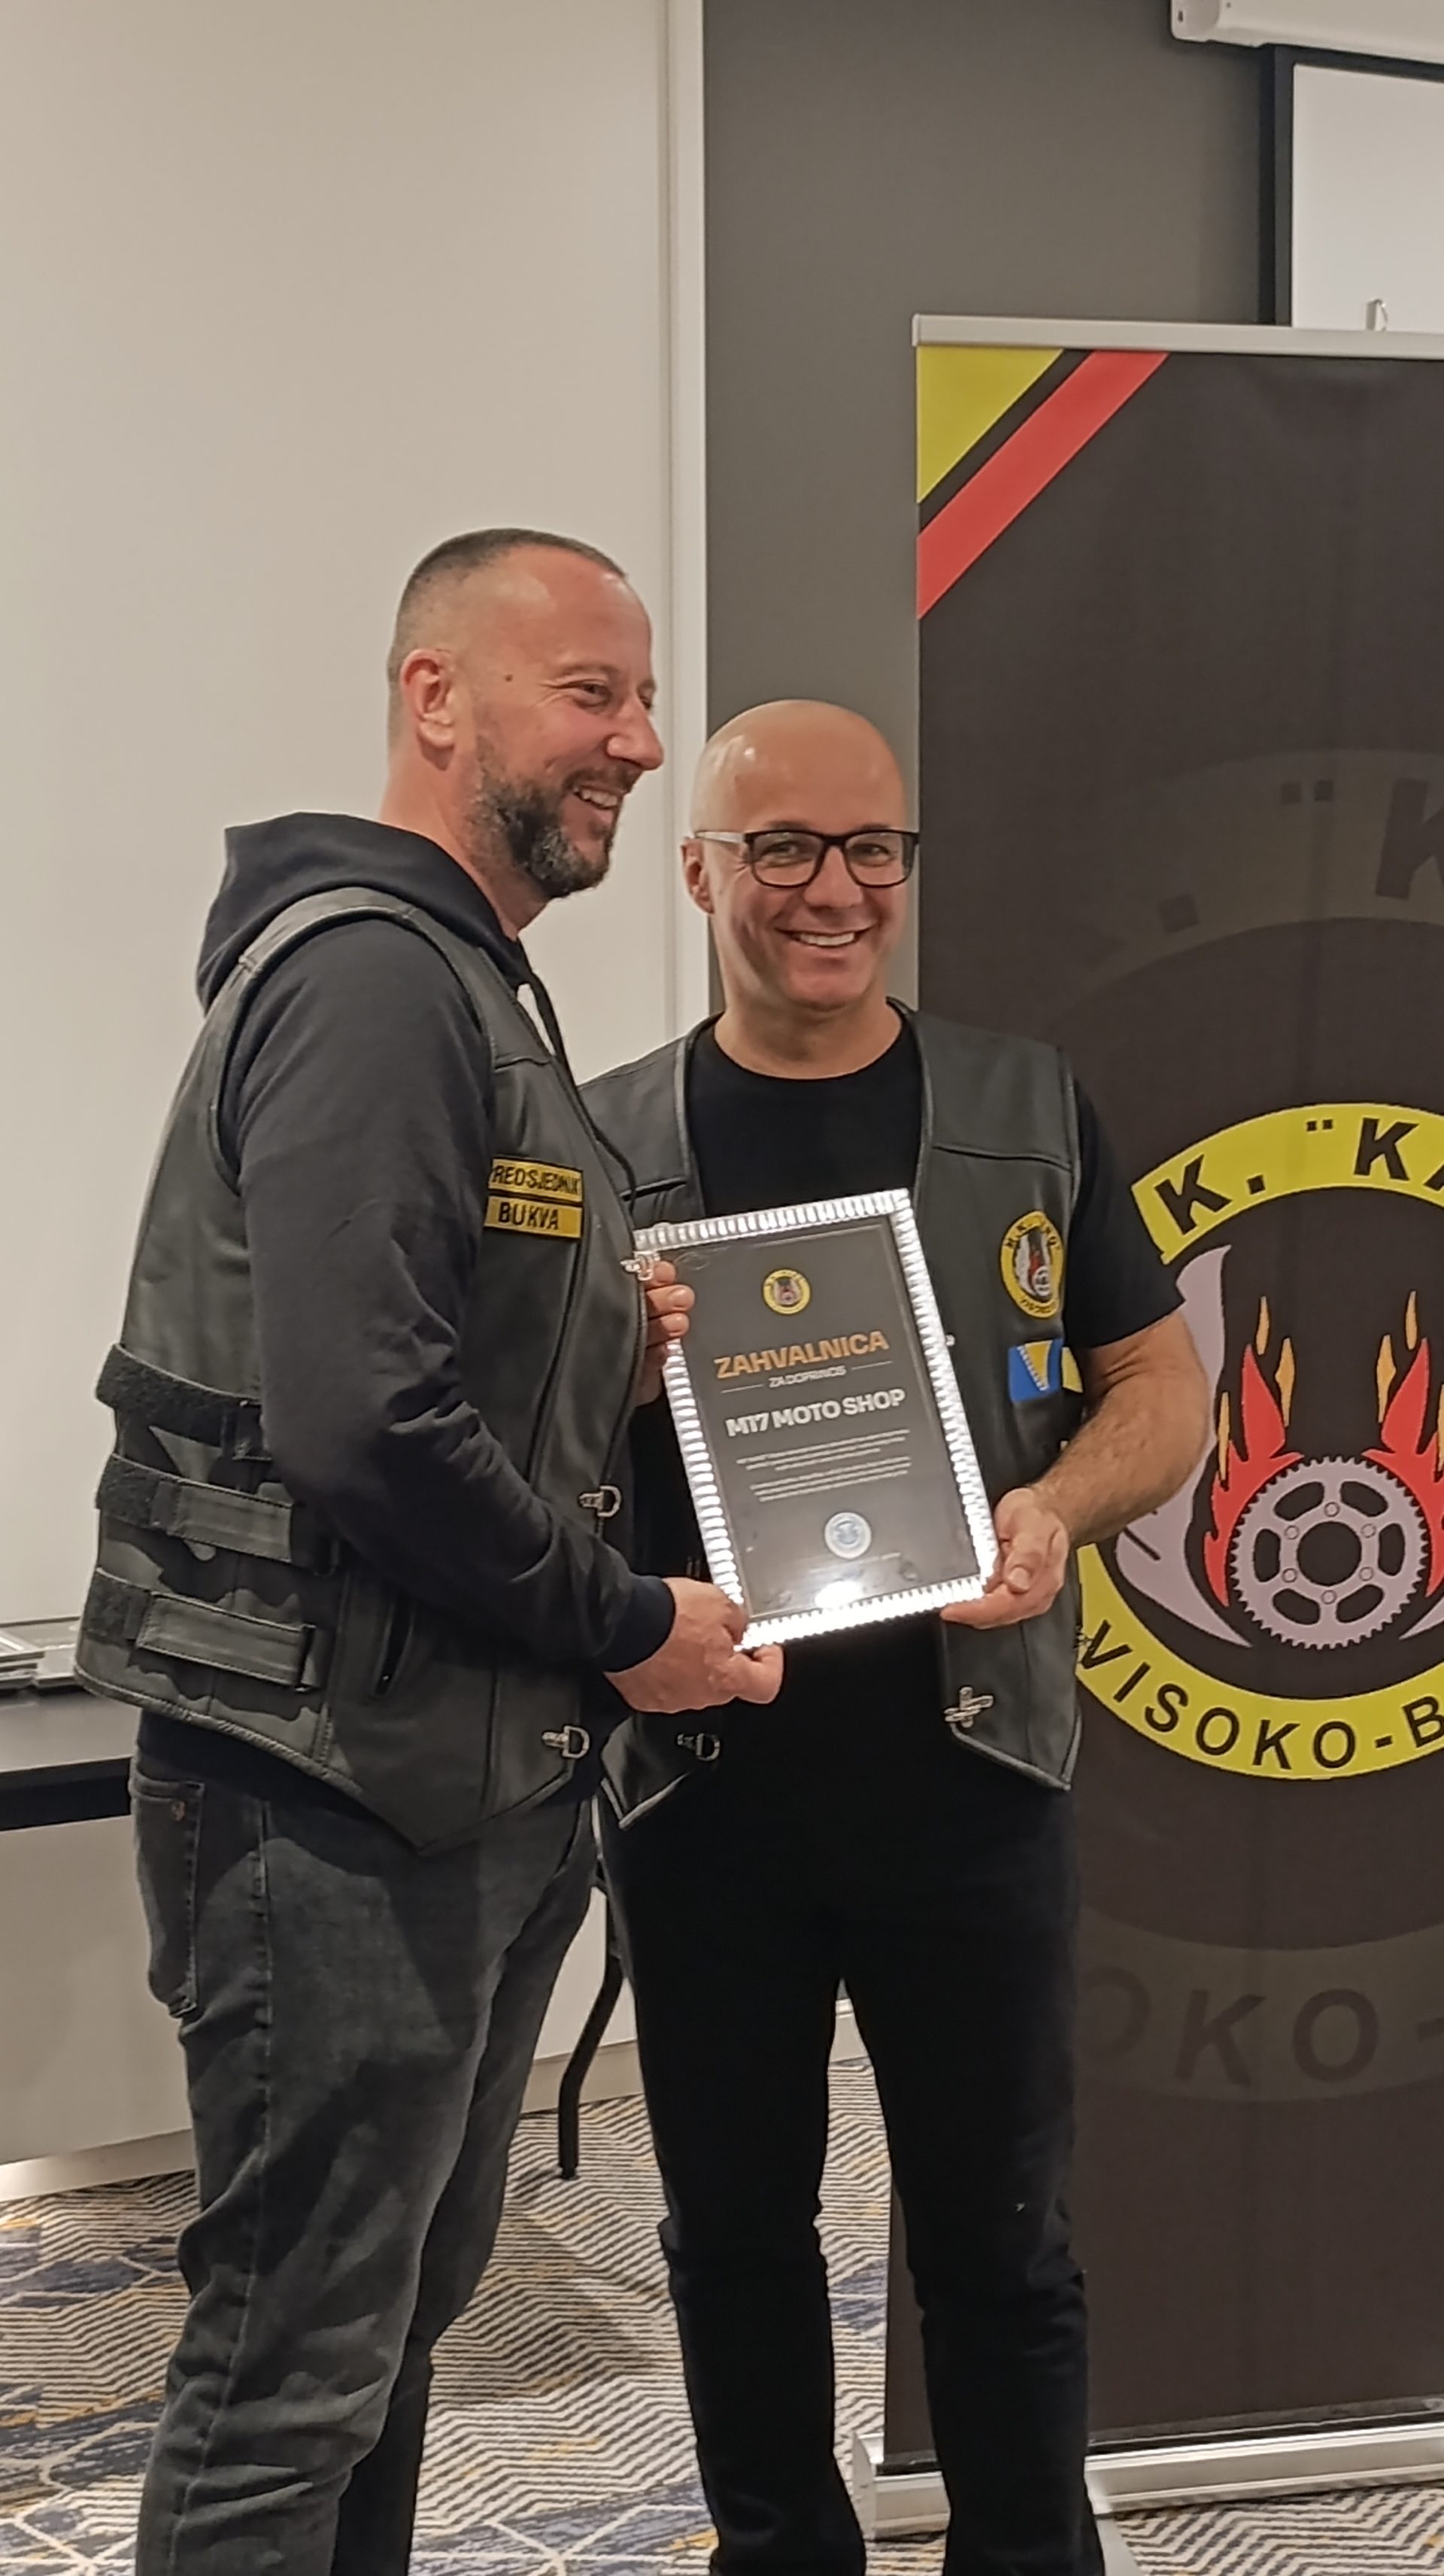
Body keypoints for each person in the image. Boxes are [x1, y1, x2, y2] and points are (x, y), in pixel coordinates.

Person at [75, 528, 781, 2576]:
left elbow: (422, 1352)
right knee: (293, 2379)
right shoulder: (376, 978)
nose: (637, 740)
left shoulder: (470, 982)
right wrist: (631, 1623)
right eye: (592, 692)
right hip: (328, 1807)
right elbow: (358, 1420)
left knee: (379, 2353)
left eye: (642, 698)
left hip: (454, 1788)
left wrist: (600, 1350)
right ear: (437, 697)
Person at [584, 700, 1210, 2576]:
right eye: (780, 847)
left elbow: (1159, 1387)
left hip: (972, 1775)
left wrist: (1056, 1509)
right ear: (698, 870)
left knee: (1003, 2243)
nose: (832, 889)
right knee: (733, 2236)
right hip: (706, 1783)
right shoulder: (597, 1140)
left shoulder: (1030, 1106)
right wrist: (615, 1388)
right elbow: (502, 1446)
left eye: (872, 847)